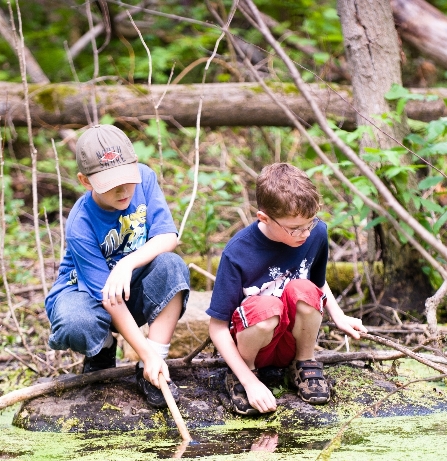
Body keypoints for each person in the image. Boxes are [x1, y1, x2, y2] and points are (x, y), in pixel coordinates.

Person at [45, 124, 190, 408]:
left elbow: (168, 237)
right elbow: (108, 298)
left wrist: (127, 263)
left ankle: (153, 367)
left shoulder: (145, 179)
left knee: (172, 267)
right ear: (86, 182)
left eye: (127, 178)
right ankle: (103, 348)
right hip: (87, 297)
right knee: (77, 322)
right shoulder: (80, 223)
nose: (123, 190)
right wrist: (142, 352)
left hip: (131, 286)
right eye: (111, 184)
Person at [207, 162, 367, 416]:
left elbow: (317, 283)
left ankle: (303, 363)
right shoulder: (238, 252)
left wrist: (339, 316)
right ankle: (244, 374)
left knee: (303, 288)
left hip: (291, 340)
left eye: (310, 223)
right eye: (295, 229)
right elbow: (217, 327)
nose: (304, 233)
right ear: (264, 218)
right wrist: (249, 381)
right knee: (266, 307)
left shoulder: (316, 234)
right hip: (254, 344)